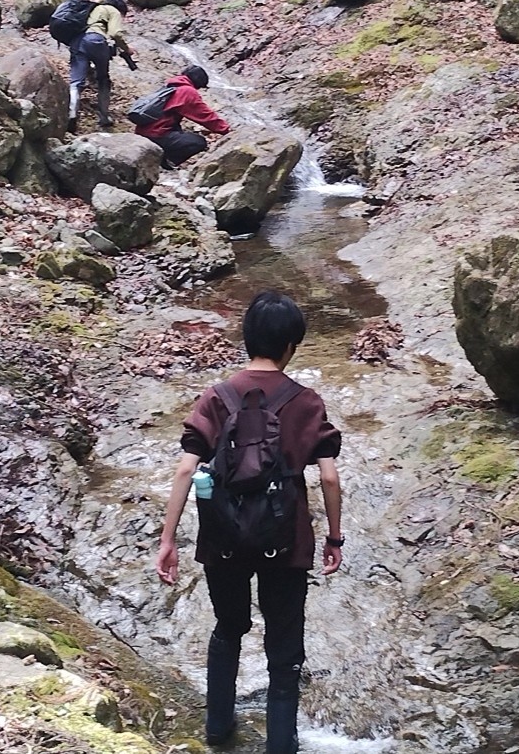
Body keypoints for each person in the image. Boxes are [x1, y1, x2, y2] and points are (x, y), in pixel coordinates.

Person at [156, 291, 343, 754]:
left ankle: (217, 728)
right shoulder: (306, 401)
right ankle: (282, 744)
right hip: (286, 538)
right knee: (284, 648)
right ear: (291, 346)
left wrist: (168, 539)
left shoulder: (216, 397)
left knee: (227, 628)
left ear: (246, 339)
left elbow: (185, 469)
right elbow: (329, 476)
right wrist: (335, 537)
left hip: (223, 535)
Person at [133, 64, 230, 168]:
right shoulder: (187, 91)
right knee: (198, 142)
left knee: (181, 133)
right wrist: (227, 130)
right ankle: (165, 163)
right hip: (156, 134)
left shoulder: (171, 85)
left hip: (144, 131)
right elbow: (205, 116)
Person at [69, 0, 136, 133]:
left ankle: (71, 113)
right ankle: (104, 117)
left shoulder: (91, 9)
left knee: (76, 82)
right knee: (103, 79)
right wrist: (127, 48)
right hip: (95, 41)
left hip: (77, 42)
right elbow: (115, 33)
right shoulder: (112, 10)